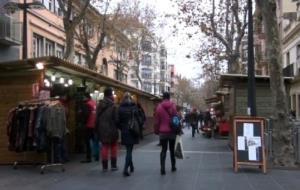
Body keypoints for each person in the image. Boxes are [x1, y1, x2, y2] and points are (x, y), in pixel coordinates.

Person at [118, 92, 142, 177]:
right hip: (133, 131)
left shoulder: (120, 108)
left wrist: (122, 128)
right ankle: (125, 169)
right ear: (130, 99)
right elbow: (139, 120)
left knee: (128, 149)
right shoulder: (134, 107)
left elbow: (118, 121)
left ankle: (131, 166)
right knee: (129, 150)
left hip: (125, 131)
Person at [95, 87, 119, 172]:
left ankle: (104, 167)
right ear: (110, 95)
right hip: (112, 128)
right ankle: (113, 166)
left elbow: (96, 117)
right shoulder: (113, 106)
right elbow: (116, 119)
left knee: (104, 146)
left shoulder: (99, 105)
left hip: (102, 128)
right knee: (113, 146)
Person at [154, 92, 178, 175]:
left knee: (163, 150)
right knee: (172, 150)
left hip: (162, 132)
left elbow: (157, 121)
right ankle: (173, 166)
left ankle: (162, 169)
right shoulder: (173, 106)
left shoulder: (159, 107)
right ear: (169, 97)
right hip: (172, 132)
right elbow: (176, 119)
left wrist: (157, 130)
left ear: (163, 97)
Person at [80, 92, 97, 163]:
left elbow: (86, 115)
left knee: (87, 142)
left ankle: (88, 158)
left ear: (86, 97)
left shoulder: (87, 104)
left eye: (83, 97)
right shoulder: (94, 103)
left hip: (88, 125)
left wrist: (82, 122)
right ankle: (97, 156)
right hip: (94, 124)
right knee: (95, 141)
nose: (82, 99)